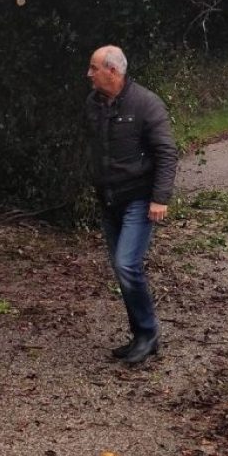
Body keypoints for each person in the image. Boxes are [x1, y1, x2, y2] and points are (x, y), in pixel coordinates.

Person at [84, 45, 178, 365]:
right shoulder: (93, 105)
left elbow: (166, 153)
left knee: (126, 264)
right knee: (122, 269)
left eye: (94, 68)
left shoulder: (145, 104)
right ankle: (140, 335)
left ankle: (148, 332)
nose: (89, 74)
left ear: (113, 71)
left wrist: (159, 198)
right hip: (109, 199)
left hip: (139, 199)